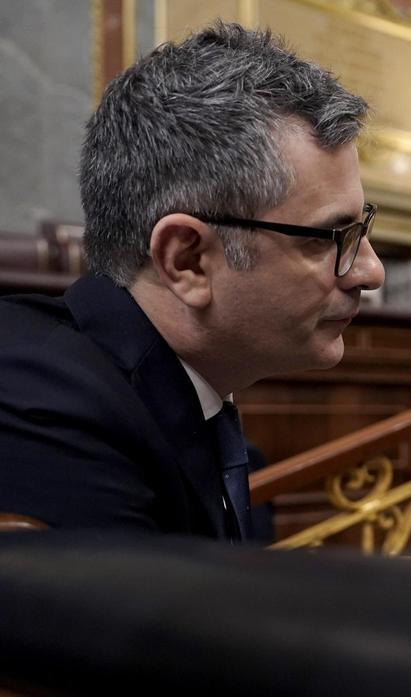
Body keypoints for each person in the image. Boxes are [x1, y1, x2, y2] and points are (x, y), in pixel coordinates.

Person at [0, 22, 384, 541]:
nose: (370, 271)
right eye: (325, 238)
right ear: (188, 260)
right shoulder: (45, 409)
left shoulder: (179, 395)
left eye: (361, 228)